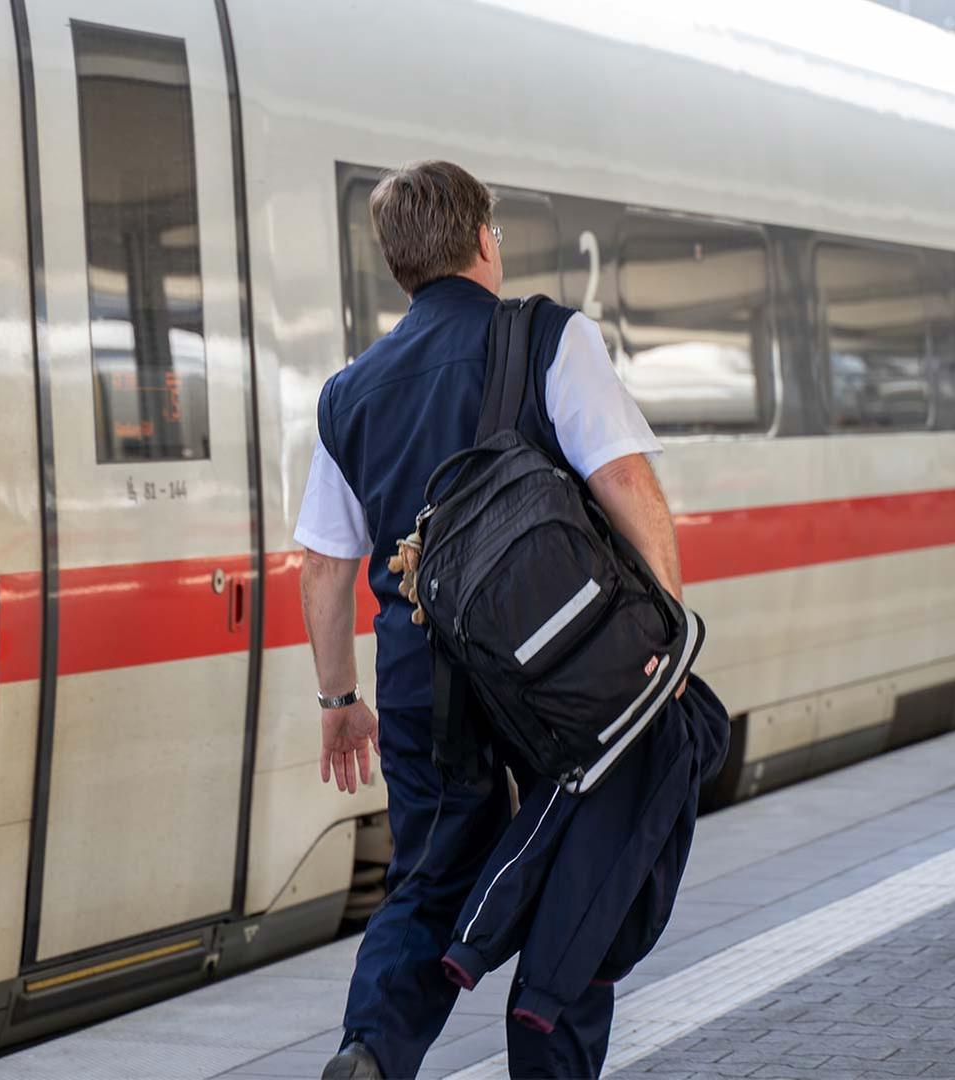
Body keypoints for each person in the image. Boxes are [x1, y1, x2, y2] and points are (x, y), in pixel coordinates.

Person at [295, 160, 727, 1079]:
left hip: (421, 677)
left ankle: (371, 1050)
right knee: (591, 853)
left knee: (425, 878)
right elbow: (625, 487)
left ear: (399, 266)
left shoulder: (348, 393)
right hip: (557, 666)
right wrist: (667, 639)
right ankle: (546, 1036)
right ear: (485, 240)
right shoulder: (548, 338)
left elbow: (327, 565)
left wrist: (339, 699)